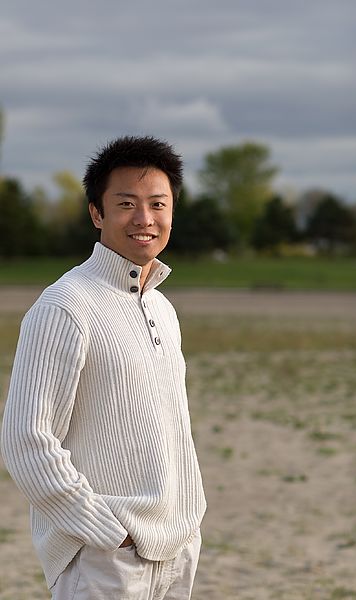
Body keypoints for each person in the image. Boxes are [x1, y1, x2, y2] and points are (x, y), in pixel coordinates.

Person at [1, 136, 207, 599]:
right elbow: (25, 439)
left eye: (158, 204)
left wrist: (189, 519)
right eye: (126, 204)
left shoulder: (162, 307)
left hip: (176, 553)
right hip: (105, 560)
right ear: (97, 212)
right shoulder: (66, 304)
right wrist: (105, 531)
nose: (144, 219)